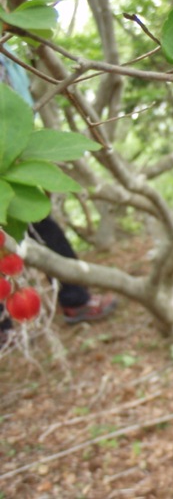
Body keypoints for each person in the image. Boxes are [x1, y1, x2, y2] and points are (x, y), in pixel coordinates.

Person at [0, 49, 117, 331]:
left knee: (40, 225)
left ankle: (74, 299)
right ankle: (72, 300)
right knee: (41, 229)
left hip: (10, 154)